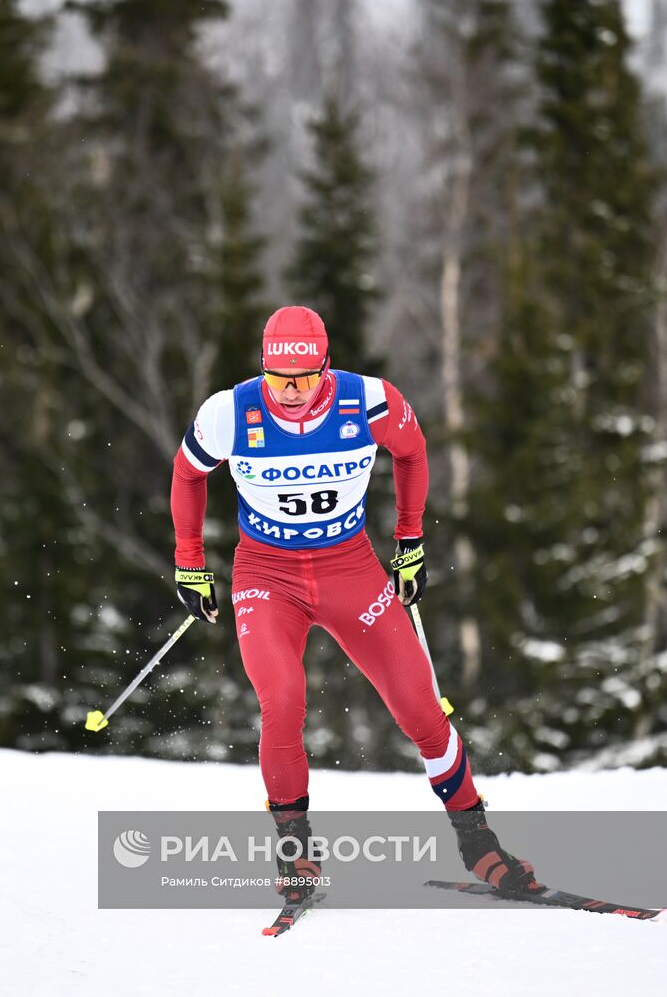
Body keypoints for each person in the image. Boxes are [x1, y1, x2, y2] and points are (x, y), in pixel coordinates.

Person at [170, 305, 540, 903]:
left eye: (304, 378)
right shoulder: (229, 412)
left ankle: (479, 842)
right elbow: (188, 476)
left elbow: (413, 452)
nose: (290, 392)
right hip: (268, 576)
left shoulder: (369, 401)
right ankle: (295, 853)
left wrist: (411, 540)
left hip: (350, 570)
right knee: (283, 701)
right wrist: (190, 560)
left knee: (421, 709)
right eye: (277, 378)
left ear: (325, 367)